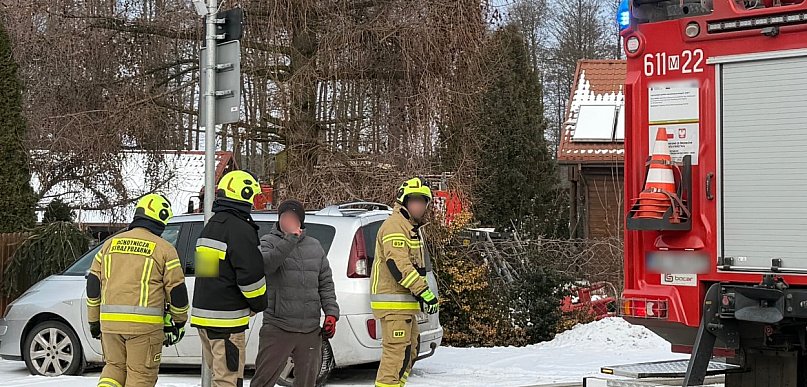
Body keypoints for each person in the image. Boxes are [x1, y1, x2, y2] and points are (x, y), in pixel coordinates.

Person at [87, 193, 189, 387]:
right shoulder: (164, 249)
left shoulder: (110, 244)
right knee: (140, 376)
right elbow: (176, 291)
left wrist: (94, 320)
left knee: (113, 369)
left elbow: (93, 284)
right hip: (144, 328)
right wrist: (179, 321)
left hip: (109, 325)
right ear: (161, 218)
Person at [190, 170, 268, 387]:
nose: (254, 202)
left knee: (223, 377)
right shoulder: (240, 230)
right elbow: (251, 278)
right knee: (227, 380)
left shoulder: (212, 226)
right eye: (252, 196)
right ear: (244, 195)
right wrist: (259, 303)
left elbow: (208, 275)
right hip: (226, 322)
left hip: (205, 320)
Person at [251, 199, 340, 387]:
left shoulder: (314, 246)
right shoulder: (268, 242)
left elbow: (325, 283)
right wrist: (290, 239)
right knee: (263, 380)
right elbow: (266, 265)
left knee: (308, 382)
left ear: (301, 221)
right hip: (278, 326)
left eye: (292, 217)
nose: (288, 220)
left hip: (310, 329)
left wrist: (331, 314)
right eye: (284, 217)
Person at [372, 177, 439, 387]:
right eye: (415, 200)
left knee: (409, 354)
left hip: (404, 306)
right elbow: (398, 264)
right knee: (395, 359)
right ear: (404, 200)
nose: (419, 205)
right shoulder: (394, 226)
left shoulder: (409, 226)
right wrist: (424, 292)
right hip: (393, 305)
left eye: (423, 201)